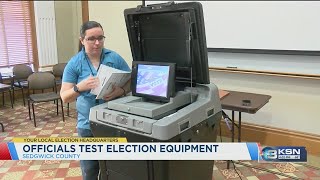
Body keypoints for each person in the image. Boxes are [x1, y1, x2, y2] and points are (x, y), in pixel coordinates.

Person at [60, 21, 131, 180]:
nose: (97, 43)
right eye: (92, 39)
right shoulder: (74, 63)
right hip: (87, 125)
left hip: (113, 121)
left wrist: (122, 90)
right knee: (90, 169)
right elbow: (64, 97)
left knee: (115, 166)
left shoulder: (114, 57)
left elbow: (130, 79)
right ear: (82, 40)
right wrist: (80, 87)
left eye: (100, 38)